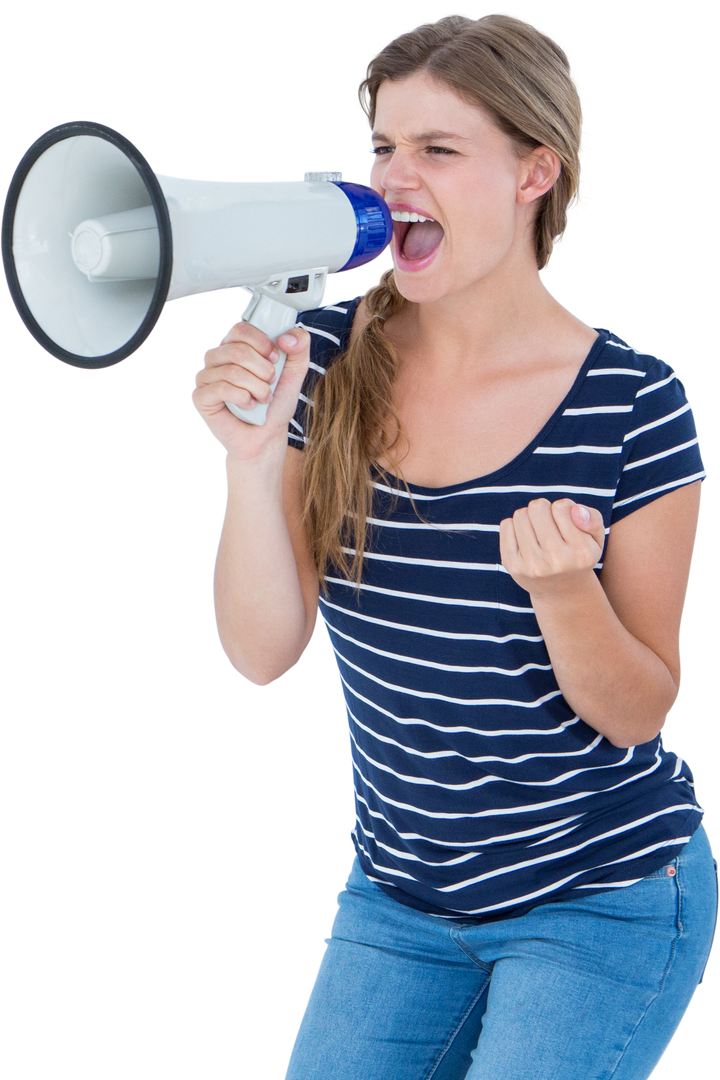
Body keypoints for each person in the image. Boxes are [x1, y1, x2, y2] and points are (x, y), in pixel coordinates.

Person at [190, 8, 717, 1078]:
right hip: (399, 896)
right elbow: (260, 655)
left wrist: (566, 592)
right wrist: (248, 465)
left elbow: (638, 705)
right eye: (383, 147)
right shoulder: (320, 359)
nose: (394, 179)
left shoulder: (635, 402)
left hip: (601, 900)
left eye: (438, 150)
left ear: (536, 172)